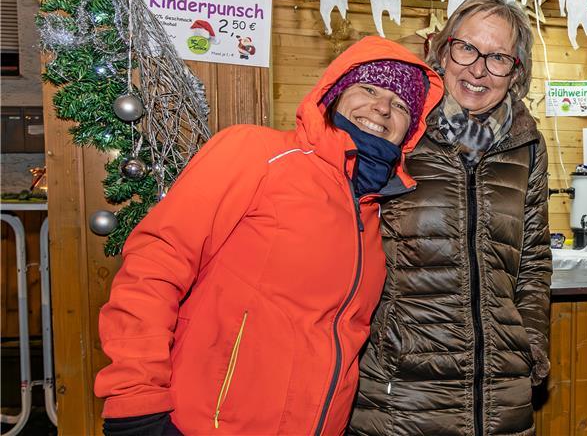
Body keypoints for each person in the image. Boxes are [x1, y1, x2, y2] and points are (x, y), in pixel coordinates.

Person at [94, 37, 443, 436]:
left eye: (401, 105)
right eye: (368, 88)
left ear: (410, 131)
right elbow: (154, 266)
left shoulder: (371, 212)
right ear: (333, 94)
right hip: (201, 424)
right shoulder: (256, 153)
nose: (382, 107)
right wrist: (135, 403)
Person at [351, 0, 551, 436]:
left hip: (500, 392)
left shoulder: (528, 144)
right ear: (443, 49)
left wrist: (529, 344)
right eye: (467, 48)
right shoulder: (399, 128)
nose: (478, 69)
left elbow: (533, 262)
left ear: (516, 71)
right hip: (402, 391)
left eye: (498, 57)